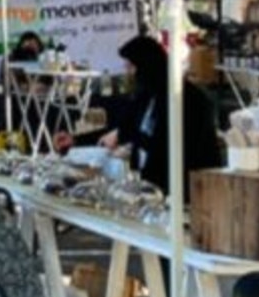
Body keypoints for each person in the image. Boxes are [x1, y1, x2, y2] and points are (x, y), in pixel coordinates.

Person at [54, 34, 222, 195]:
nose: (128, 73)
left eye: (131, 67)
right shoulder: (146, 95)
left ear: (147, 65)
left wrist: (124, 135)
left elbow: (166, 146)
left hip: (184, 191)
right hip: (151, 186)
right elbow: (121, 128)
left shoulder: (186, 99)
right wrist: (75, 140)